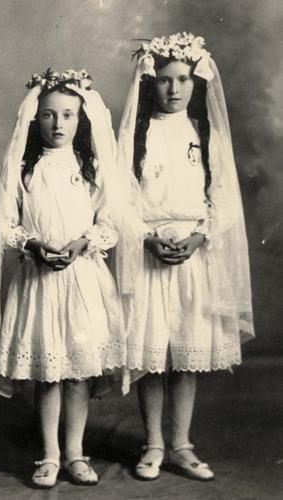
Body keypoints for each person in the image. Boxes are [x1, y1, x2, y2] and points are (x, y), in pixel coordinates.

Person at [0, 68, 125, 488]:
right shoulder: (24, 168)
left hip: (81, 280)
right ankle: (50, 455)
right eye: (49, 115)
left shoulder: (90, 165)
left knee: (76, 372)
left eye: (68, 115)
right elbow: (3, 224)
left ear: (81, 119)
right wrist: (33, 244)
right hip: (39, 282)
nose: (59, 124)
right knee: (49, 372)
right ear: (34, 119)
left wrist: (82, 243)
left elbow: (110, 221)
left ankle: (75, 452)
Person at [116, 33, 254, 481]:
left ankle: (181, 444)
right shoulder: (138, 134)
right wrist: (145, 237)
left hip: (193, 252)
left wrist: (200, 237)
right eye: (164, 80)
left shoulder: (204, 133)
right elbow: (121, 199)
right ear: (149, 84)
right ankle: (153, 443)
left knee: (186, 353)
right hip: (151, 251)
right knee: (154, 354)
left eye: (183, 80)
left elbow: (223, 198)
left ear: (196, 83)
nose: (174, 89)